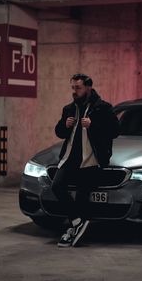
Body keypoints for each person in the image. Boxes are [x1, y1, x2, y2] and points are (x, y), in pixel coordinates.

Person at [52, 73, 119, 247]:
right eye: (73, 88)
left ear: (88, 88)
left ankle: (71, 233)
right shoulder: (69, 109)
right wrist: (64, 126)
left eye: (78, 88)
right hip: (69, 159)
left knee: (82, 196)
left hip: (91, 159)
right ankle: (77, 222)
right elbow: (60, 133)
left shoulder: (103, 108)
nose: (74, 91)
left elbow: (115, 131)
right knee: (56, 186)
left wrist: (93, 126)